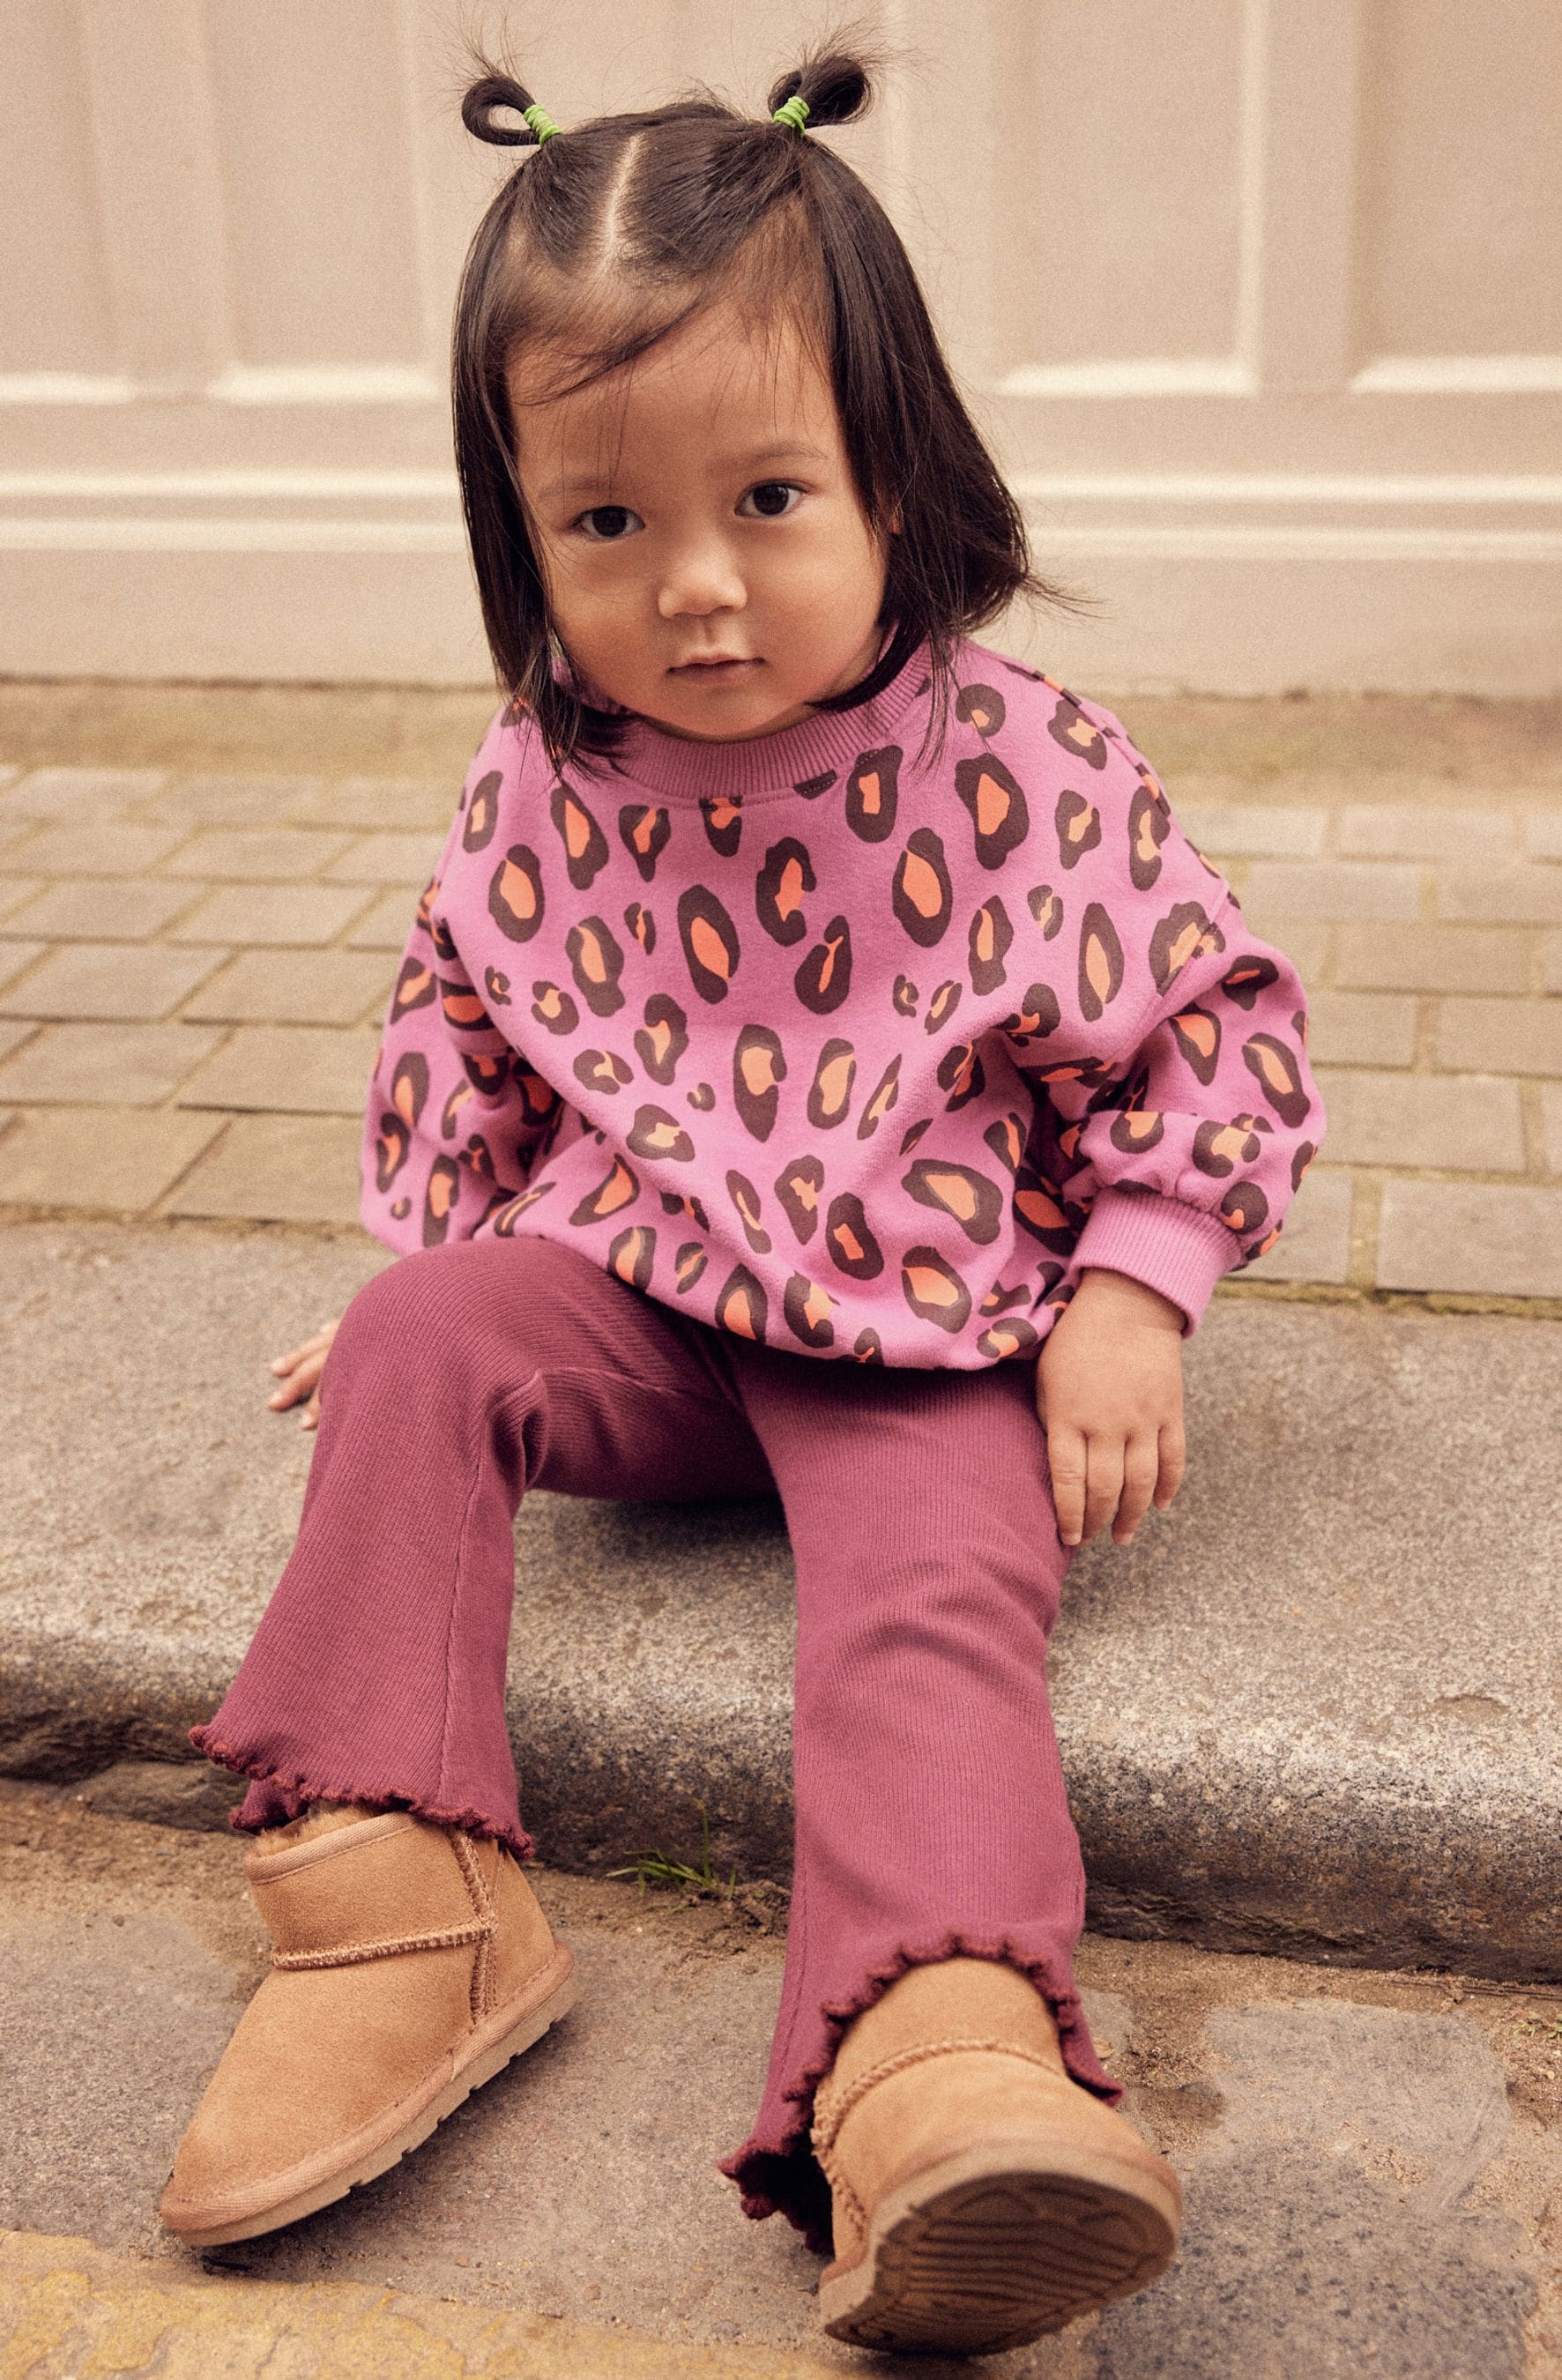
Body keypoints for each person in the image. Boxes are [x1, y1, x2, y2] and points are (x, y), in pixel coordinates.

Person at [155, 40, 1324, 2357]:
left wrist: (1139, 1285)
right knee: (415, 1345)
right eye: (605, 525)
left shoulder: (1017, 769)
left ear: (896, 472)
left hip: (933, 1335)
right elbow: (461, 1022)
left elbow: (1206, 1020)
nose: (694, 589)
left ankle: (938, 2050)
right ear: (521, 534)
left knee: (917, 1604)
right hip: (651, 1304)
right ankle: (399, 1906)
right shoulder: (539, 783)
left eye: (768, 496)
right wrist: (431, 1266)